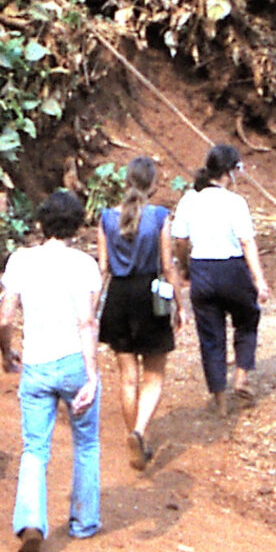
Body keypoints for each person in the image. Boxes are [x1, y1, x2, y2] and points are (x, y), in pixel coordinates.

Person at [0, 189, 102, 552]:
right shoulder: (85, 265)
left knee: (35, 447)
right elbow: (87, 322)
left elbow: (6, 317)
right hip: (74, 359)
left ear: (41, 223)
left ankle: (31, 520)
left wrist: (6, 352)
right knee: (86, 443)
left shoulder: (21, 261)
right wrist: (91, 375)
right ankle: (84, 521)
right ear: (76, 225)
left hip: (36, 363)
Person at [167, 144, 273, 412]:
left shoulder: (190, 200)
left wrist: (185, 268)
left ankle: (221, 401)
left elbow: (180, 240)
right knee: (247, 318)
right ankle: (241, 375)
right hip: (232, 269)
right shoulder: (235, 202)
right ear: (229, 171)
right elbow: (247, 243)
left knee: (211, 336)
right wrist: (259, 280)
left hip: (202, 270)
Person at [95, 156, 176, 470]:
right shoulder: (159, 216)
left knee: (128, 378)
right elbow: (168, 266)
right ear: (153, 184)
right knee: (153, 375)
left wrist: (93, 309)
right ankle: (140, 432)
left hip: (118, 296)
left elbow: (102, 268)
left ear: (126, 181)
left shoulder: (105, 218)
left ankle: (134, 436)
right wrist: (179, 304)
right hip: (149, 295)